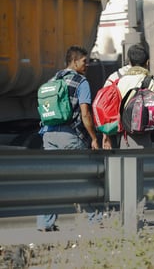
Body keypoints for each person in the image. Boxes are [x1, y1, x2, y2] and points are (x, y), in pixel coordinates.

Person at [37, 46, 99, 231]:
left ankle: (45, 222)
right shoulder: (81, 82)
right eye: (84, 61)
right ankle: (94, 221)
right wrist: (94, 138)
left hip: (48, 135)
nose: (86, 65)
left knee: (52, 179)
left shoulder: (52, 80)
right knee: (84, 177)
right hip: (70, 136)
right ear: (74, 61)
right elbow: (86, 114)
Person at [101, 44, 154, 149]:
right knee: (143, 162)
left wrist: (106, 136)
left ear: (129, 62)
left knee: (126, 163)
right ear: (147, 62)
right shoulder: (151, 80)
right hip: (144, 133)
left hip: (124, 134)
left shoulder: (118, 80)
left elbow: (108, 109)